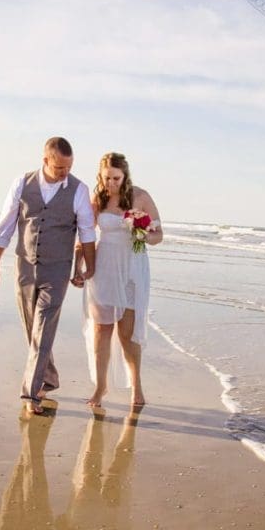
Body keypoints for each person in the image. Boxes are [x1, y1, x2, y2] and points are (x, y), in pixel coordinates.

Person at [0, 136, 96, 414]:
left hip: (57, 270)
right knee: (30, 327)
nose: (65, 173)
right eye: (60, 167)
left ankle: (31, 393)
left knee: (44, 326)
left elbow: (86, 232)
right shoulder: (22, 184)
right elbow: (6, 226)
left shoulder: (79, 190)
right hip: (24, 266)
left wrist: (85, 269)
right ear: (45, 160)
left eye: (69, 167)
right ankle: (49, 377)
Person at [75, 152, 162, 409]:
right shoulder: (98, 198)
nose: (111, 183)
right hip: (103, 267)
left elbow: (159, 235)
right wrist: (79, 266)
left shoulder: (141, 196)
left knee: (127, 333)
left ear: (125, 176)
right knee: (101, 330)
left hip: (132, 268)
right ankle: (100, 387)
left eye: (116, 178)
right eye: (106, 178)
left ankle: (136, 387)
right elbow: (86, 235)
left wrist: (144, 234)